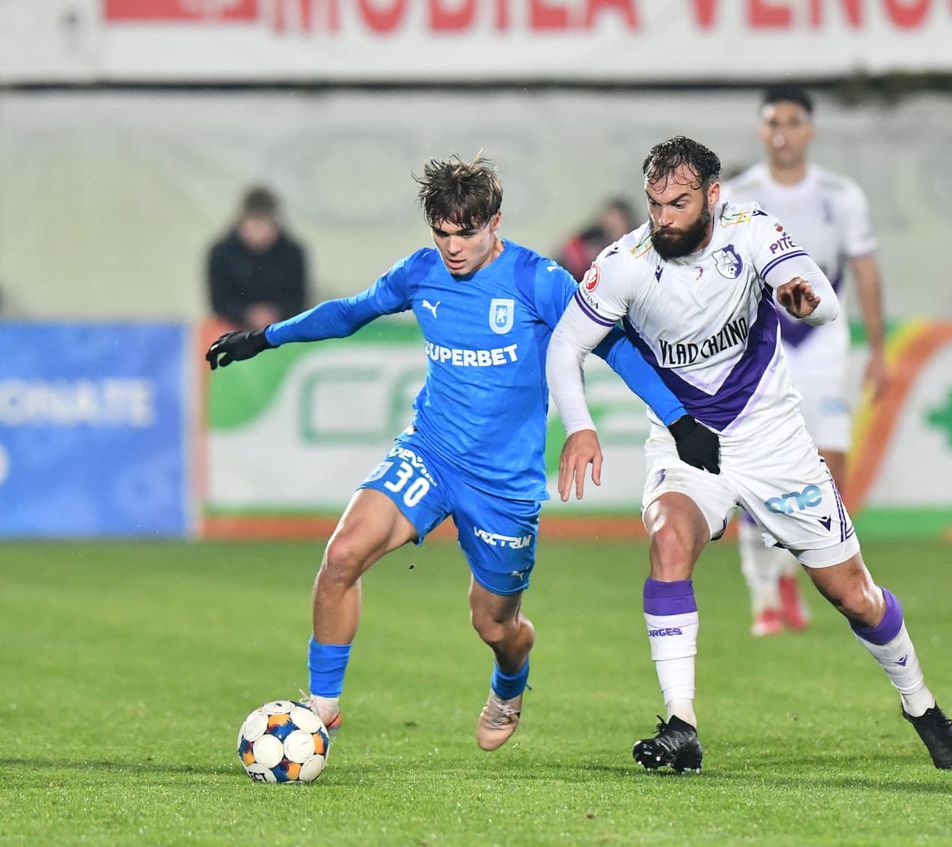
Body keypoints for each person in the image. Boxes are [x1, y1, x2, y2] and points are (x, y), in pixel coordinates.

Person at [205, 155, 717, 753]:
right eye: (442, 233)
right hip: (431, 452)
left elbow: (617, 347)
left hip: (503, 485)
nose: (452, 247)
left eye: (466, 233)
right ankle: (321, 709)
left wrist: (680, 420)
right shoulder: (421, 273)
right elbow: (350, 311)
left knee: (495, 625)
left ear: (494, 222)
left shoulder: (538, 281)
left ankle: (510, 680)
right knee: (342, 555)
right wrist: (266, 337)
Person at [546, 137, 952, 772]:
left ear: (713, 196)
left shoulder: (750, 230)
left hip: (775, 444)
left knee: (854, 595)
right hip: (687, 444)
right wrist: (579, 427)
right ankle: (681, 724)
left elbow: (821, 300)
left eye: (679, 204)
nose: (663, 219)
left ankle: (922, 705)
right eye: (655, 204)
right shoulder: (625, 263)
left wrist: (807, 303)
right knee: (669, 541)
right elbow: (565, 346)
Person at [723, 84, 890, 638]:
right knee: (758, 469)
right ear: (761, 130)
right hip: (763, 345)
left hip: (824, 344)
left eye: (792, 122)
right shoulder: (739, 196)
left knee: (830, 471)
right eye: (773, 122)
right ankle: (764, 597)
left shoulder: (841, 195)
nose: (782, 132)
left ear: (810, 130)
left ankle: (790, 574)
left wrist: (878, 351)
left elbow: (864, 271)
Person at [207, 186, 309, 330]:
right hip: (233, 329)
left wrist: (276, 313)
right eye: (254, 225)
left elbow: (299, 298)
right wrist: (247, 314)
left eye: (265, 225)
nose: (259, 233)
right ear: (241, 224)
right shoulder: (222, 253)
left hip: (284, 330)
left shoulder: (292, 253)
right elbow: (218, 301)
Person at [556, 198, 637, 282]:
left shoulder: (635, 244)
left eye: (619, 220)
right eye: (611, 220)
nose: (614, 225)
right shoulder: (589, 238)